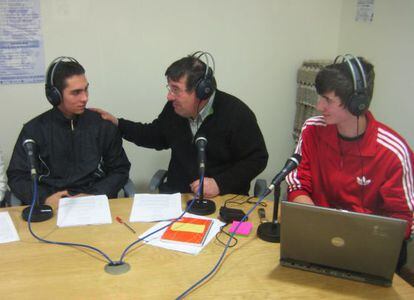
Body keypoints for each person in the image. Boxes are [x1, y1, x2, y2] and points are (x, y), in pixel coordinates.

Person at [93, 51, 268, 198]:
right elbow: (155, 135)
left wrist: (220, 184)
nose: (169, 96)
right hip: (178, 198)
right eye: (169, 89)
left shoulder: (236, 114)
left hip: (223, 199)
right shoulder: (174, 109)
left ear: (202, 91)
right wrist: (118, 123)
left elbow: (257, 158)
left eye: (175, 89)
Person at [286, 54, 414, 241]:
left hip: (367, 243)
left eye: (328, 100)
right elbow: (298, 185)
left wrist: (353, 235)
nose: (319, 106)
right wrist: (314, 222)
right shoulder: (312, 130)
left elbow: (402, 221)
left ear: (357, 103)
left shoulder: (394, 152)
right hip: (317, 234)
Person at [7, 57, 131, 206]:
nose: (85, 98)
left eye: (86, 89)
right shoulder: (34, 130)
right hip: (52, 204)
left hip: (94, 202)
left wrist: (93, 195)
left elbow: (120, 169)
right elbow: (17, 176)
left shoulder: (102, 126)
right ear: (55, 95)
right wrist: (45, 198)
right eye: (76, 92)